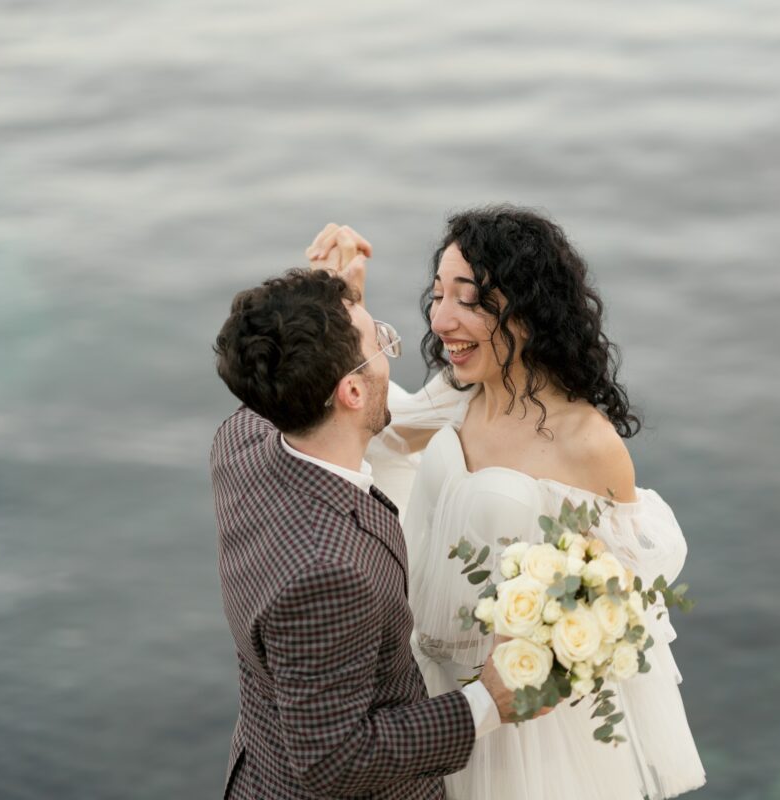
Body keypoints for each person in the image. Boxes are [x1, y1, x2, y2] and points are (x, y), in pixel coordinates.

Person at [307, 207, 707, 800]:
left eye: (468, 300)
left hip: (513, 727)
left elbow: (617, 607)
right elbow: (372, 432)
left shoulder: (588, 444)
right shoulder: (461, 393)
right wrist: (346, 307)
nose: (440, 319)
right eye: (437, 295)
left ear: (526, 308)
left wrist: (550, 645)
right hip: (423, 693)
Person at [209, 267, 545, 800]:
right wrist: (487, 701)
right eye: (381, 343)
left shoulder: (241, 442)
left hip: (262, 764)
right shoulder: (329, 573)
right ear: (350, 390)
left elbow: (274, 358)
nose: (391, 356)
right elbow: (333, 762)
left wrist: (329, 305)